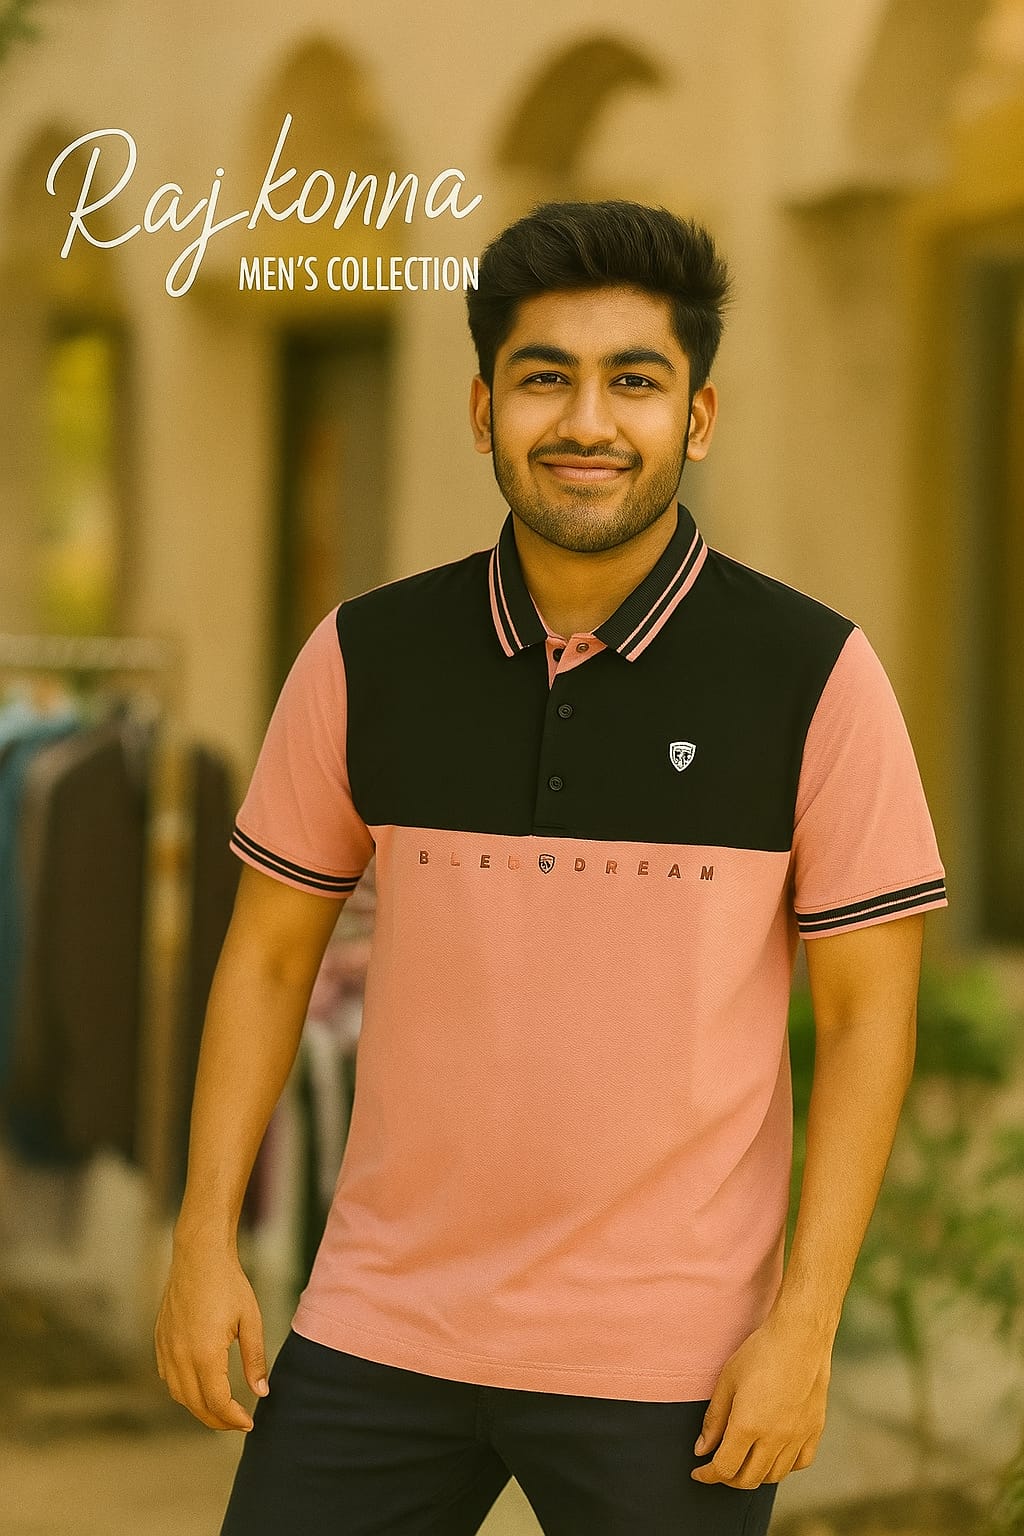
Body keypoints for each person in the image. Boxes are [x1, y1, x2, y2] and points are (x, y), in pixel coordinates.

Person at [155, 200, 948, 1535]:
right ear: (483, 410)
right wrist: (201, 1241)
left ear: (697, 416)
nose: (587, 422)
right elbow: (269, 959)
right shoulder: (363, 656)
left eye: (634, 381)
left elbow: (871, 1018)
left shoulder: (815, 674)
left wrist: (803, 1325)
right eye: (544, 378)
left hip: (675, 1358)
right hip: (381, 1320)